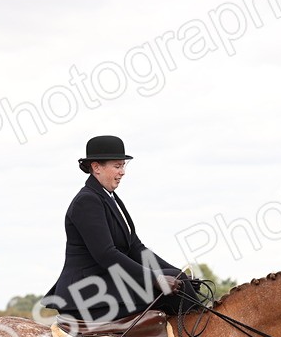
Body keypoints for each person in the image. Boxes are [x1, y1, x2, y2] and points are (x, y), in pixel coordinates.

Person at [45, 135, 186, 322]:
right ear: (96, 167)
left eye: (123, 166)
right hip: (87, 294)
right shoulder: (87, 201)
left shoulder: (110, 197)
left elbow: (136, 248)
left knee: (180, 280)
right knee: (173, 290)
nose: (122, 172)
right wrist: (155, 279)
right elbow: (107, 255)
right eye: (117, 166)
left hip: (107, 284)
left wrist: (178, 272)